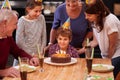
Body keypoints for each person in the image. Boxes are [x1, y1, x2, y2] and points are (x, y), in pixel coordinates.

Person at [80, 0, 120, 78]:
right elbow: (95, 41)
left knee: (104, 76)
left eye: (89, 15)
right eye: (85, 15)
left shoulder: (110, 21)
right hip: (107, 56)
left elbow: (112, 46)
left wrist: (106, 62)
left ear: (98, 13)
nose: (86, 17)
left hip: (117, 55)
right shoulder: (95, 21)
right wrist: (79, 51)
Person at [0, 9, 39, 78]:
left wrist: (30, 58)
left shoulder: (7, 38)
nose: (17, 27)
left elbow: (17, 51)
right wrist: (2, 72)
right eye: (15, 24)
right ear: (4, 23)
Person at [14, 0, 46, 65]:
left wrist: (41, 52)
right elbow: (19, 42)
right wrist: (32, 55)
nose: (39, 13)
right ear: (28, 9)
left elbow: (44, 36)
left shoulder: (41, 18)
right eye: (36, 11)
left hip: (38, 55)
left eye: (40, 11)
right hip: (25, 55)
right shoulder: (22, 21)